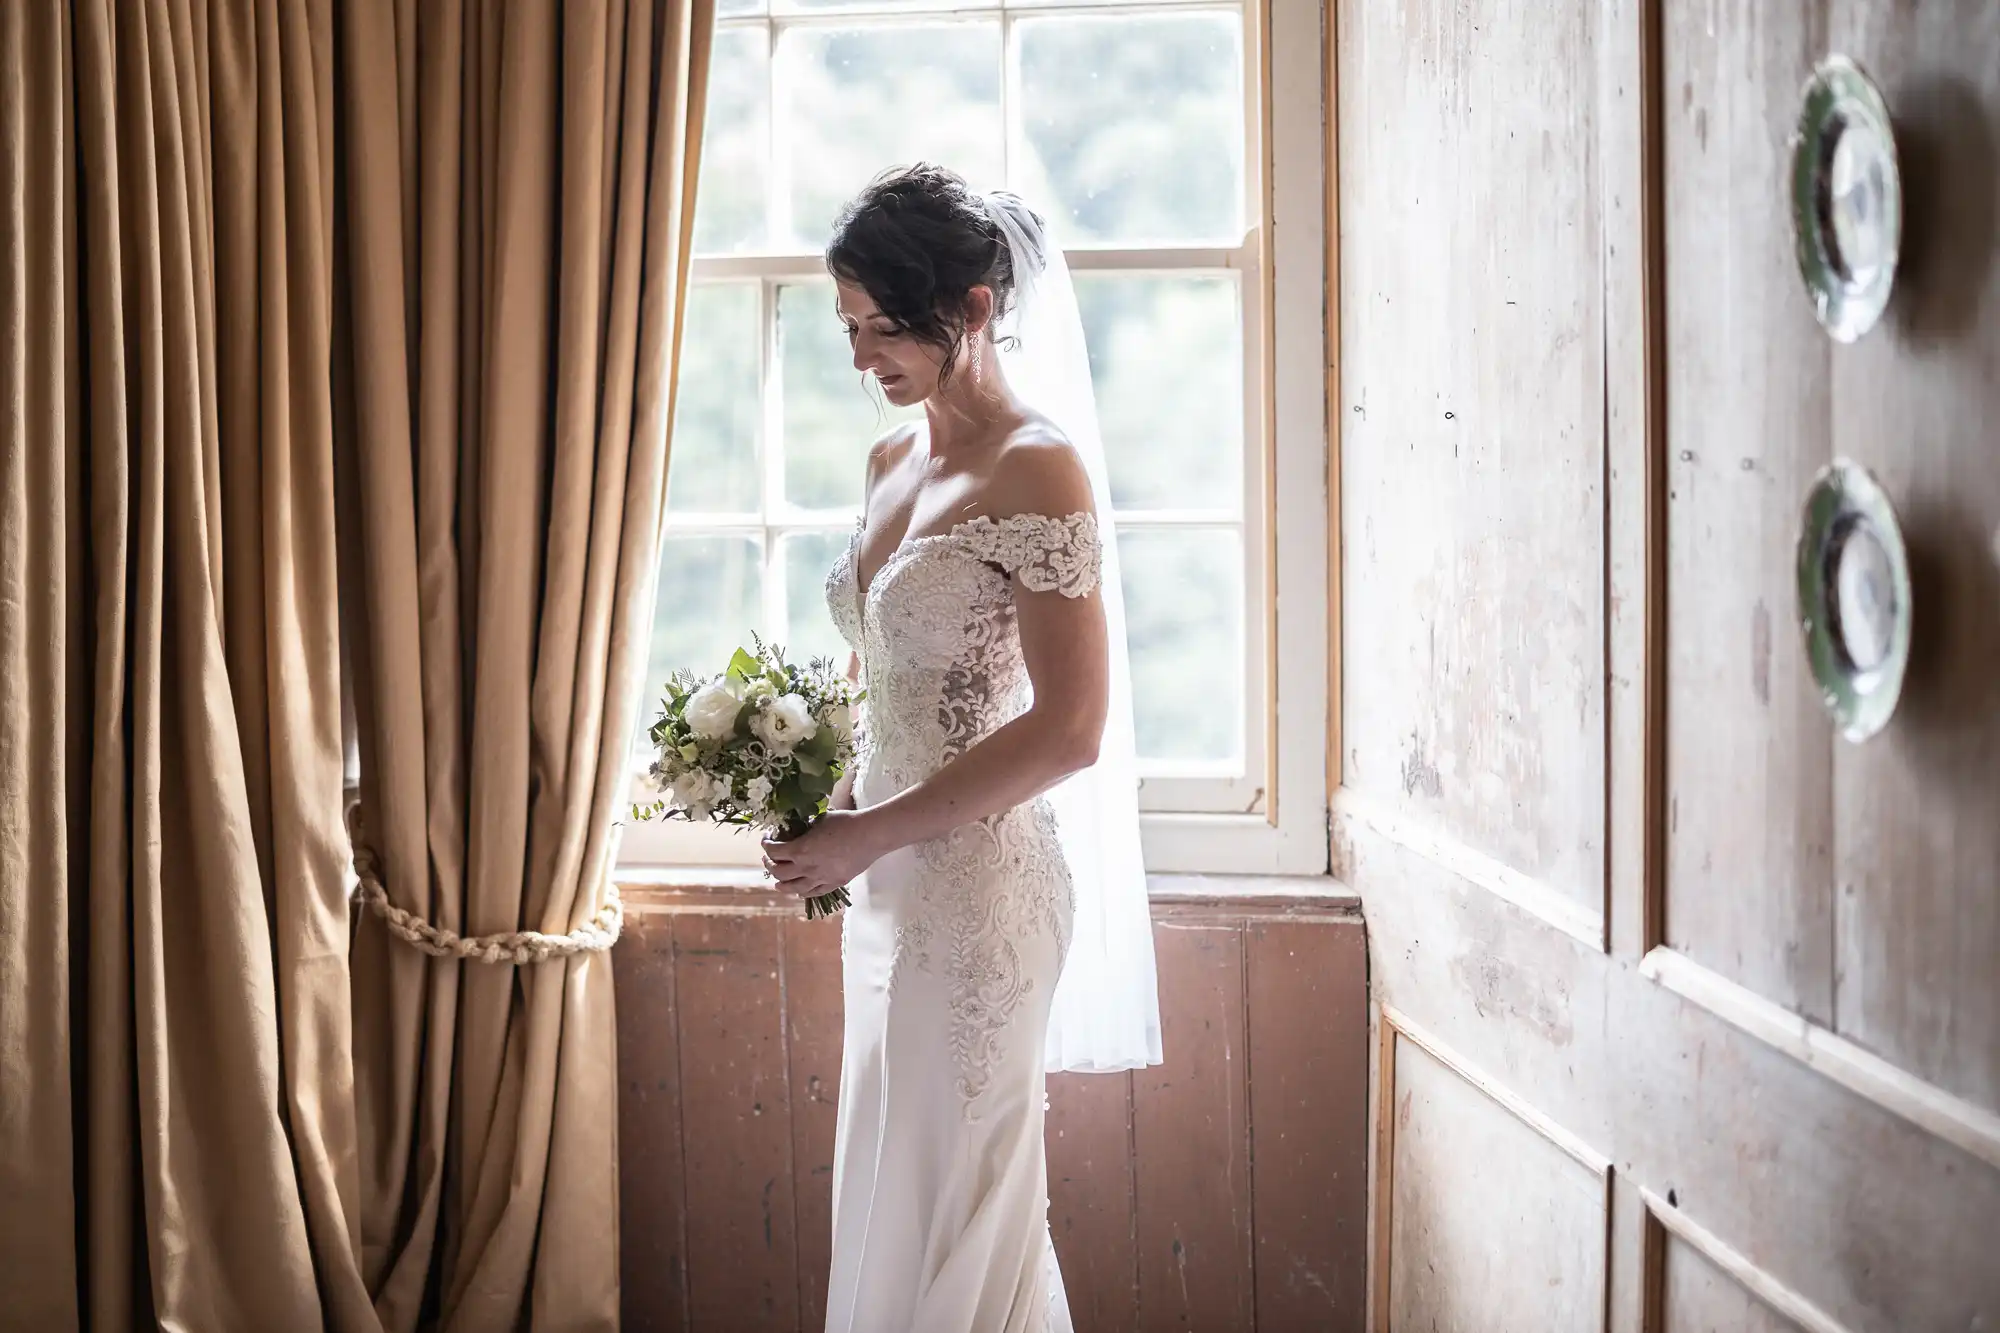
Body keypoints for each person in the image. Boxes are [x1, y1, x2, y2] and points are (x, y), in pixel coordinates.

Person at [761, 164, 1162, 1332]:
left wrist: (866, 832)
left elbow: (1069, 729)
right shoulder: (889, 462)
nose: (860, 358)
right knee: (892, 1195)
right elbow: (884, 661)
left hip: (980, 900)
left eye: (885, 327)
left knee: (962, 1217)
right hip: (880, 892)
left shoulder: (1035, 467)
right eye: (847, 326)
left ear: (975, 309)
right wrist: (815, 790)